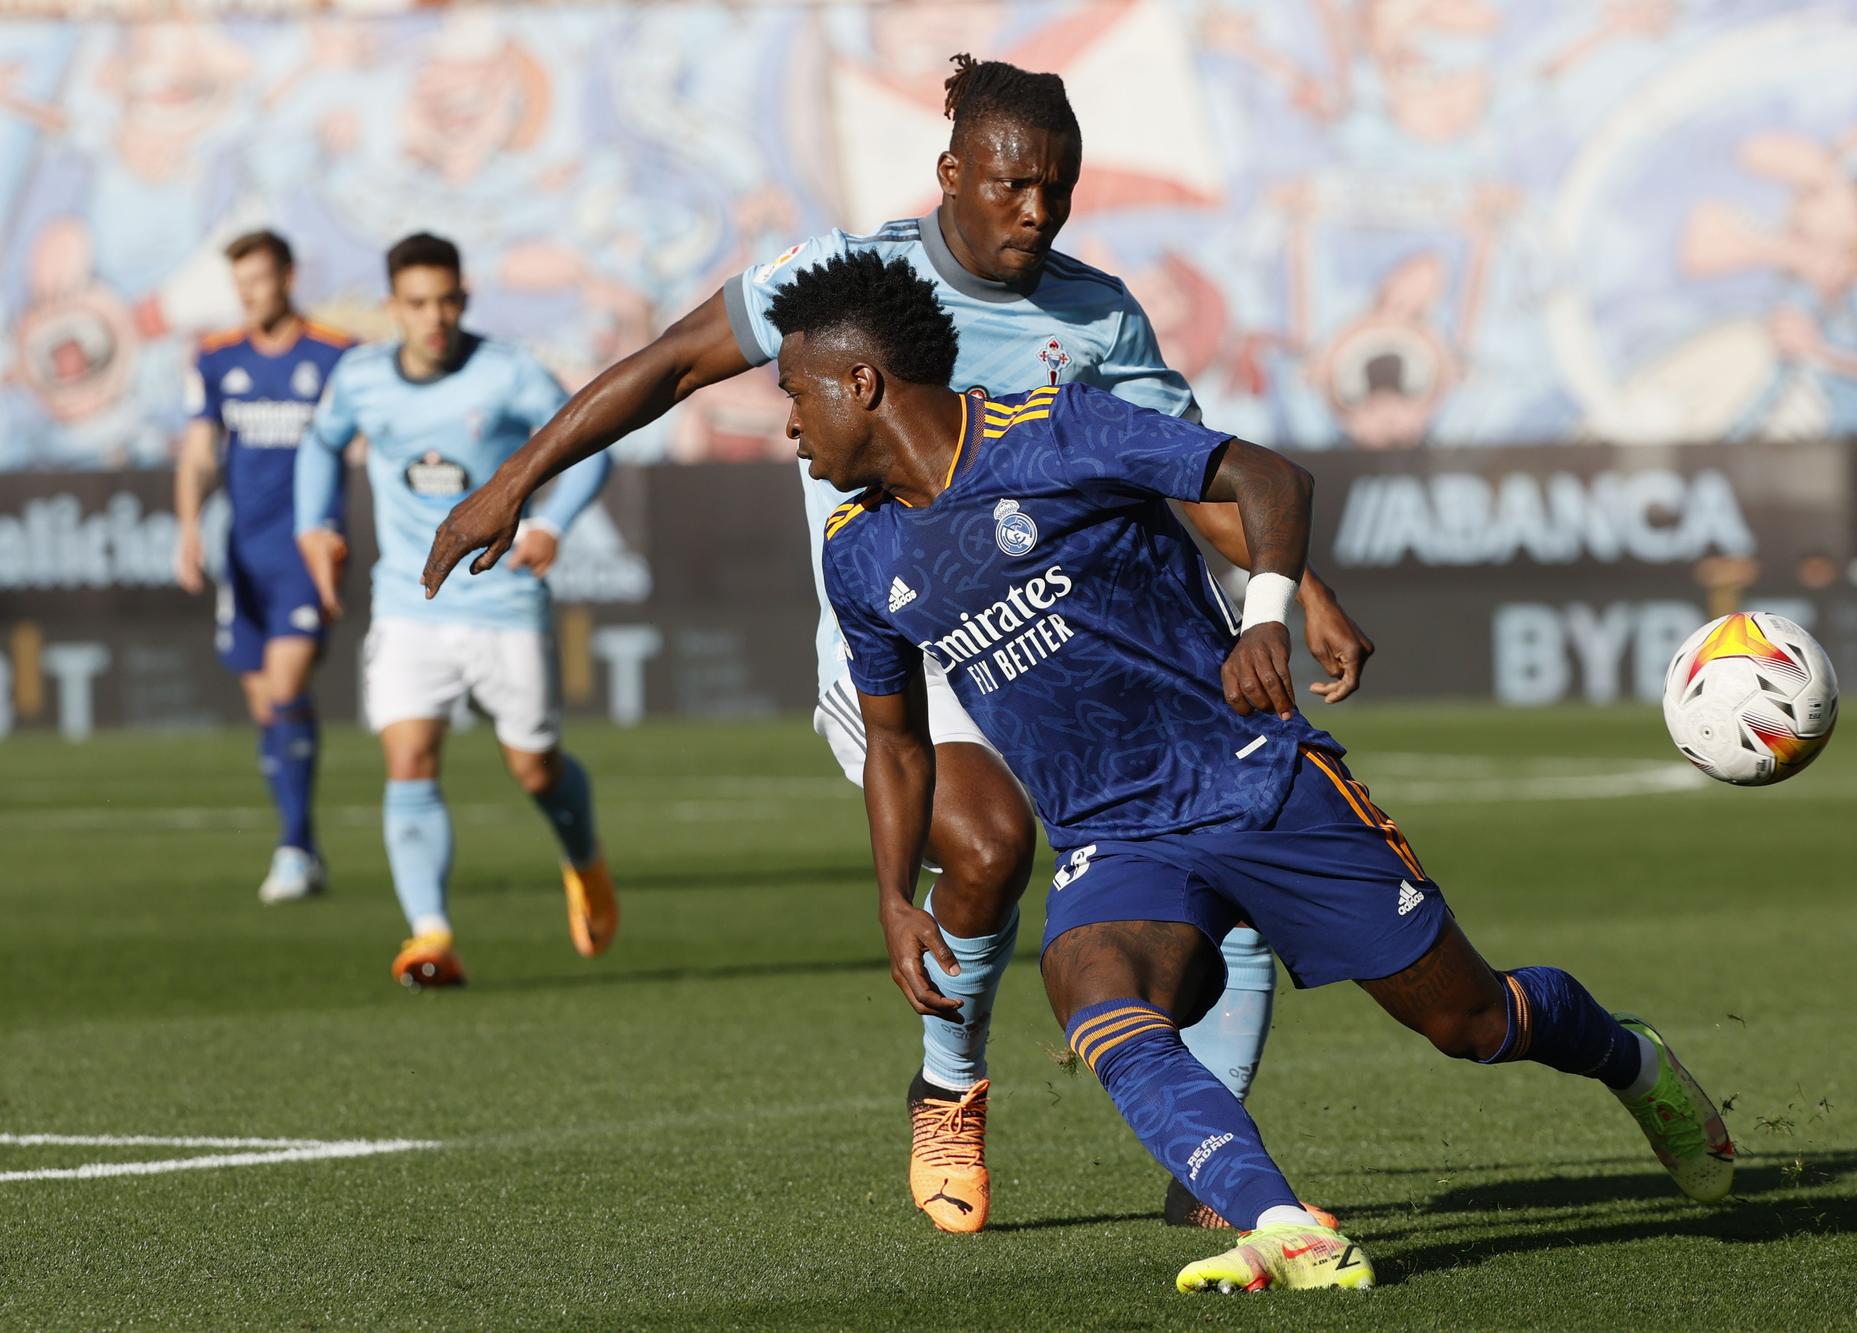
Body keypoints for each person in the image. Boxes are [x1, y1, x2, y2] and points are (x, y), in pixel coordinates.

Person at [421, 54, 1372, 1236]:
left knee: (1220, 857)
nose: (1038, 211)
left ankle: (1213, 1169)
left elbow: (1186, 472)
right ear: (951, 173)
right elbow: (670, 364)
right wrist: (512, 483)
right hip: (909, 639)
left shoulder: (1096, 314)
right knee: (985, 842)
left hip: (1079, 646)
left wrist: (1297, 585)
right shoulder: (842, 280)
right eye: (1015, 184)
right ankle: (949, 1082)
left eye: (1058, 187)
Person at [792, 250, 1735, 1293]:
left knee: (1470, 1023)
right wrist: (888, 897)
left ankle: (1629, 1059)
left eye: (794, 394)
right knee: (1093, 994)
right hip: (1116, 835)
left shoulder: (1055, 428)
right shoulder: (857, 552)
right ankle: (1281, 1222)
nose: (789, 426)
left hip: (1255, 781)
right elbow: (896, 741)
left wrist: (1267, 620)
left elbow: (1268, 478)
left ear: (860, 384)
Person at [294, 233, 617, 987]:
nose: (433, 316)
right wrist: (317, 525)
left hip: (503, 602)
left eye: (446, 300)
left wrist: (550, 524)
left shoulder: (507, 372)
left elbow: (591, 441)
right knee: (409, 759)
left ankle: (585, 859)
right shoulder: (362, 377)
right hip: (409, 604)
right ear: (391, 309)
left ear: (463, 300)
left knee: (534, 769)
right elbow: (320, 443)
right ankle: (430, 936)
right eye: (417, 303)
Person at [174, 229, 351, 903]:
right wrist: (189, 527)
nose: (250, 294)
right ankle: (302, 842)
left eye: (261, 279)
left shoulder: (334, 353)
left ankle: (293, 848)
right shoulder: (217, 358)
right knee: (265, 706)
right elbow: (197, 451)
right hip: (242, 554)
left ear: (288, 275)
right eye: (240, 284)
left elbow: (362, 441)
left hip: (307, 550)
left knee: (284, 689)